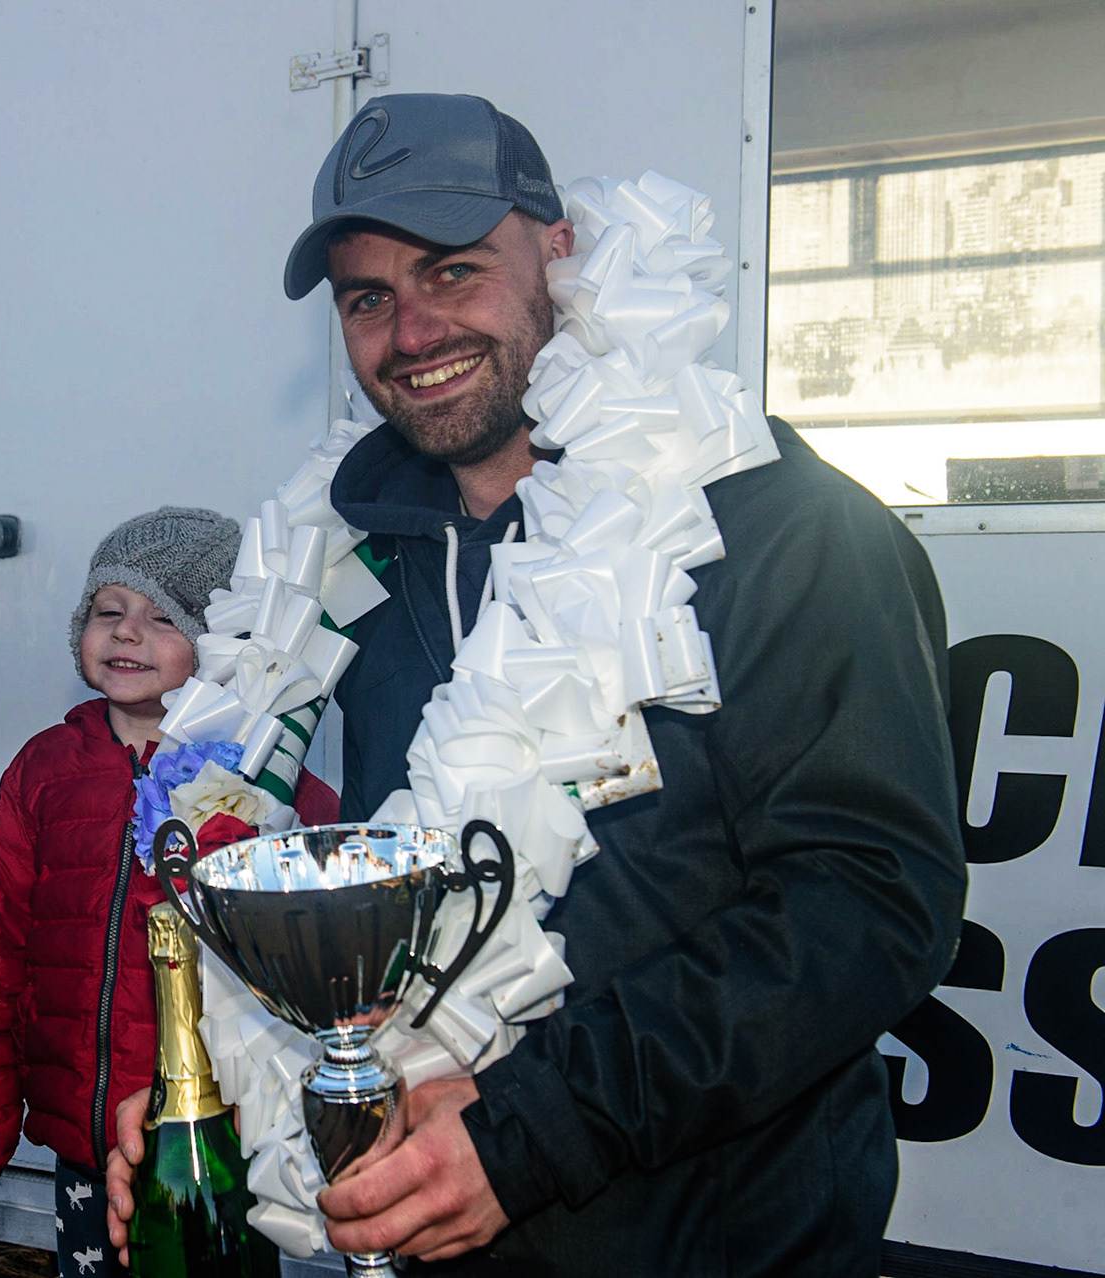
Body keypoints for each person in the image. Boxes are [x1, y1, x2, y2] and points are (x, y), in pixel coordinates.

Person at [105, 94, 965, 1275]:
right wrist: (209, 1083)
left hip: (724, 1239)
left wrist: (535, 1136)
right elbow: (348, 901)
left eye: (452, 271)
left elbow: (870, 907)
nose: (410, 332)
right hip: (432, 1239)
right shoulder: (350, 558)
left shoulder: (786, 531)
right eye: (368, 298)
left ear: (557, 251)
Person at [0, 507, 338, 1277]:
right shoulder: (45, 769)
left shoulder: (266, 787)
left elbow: (310, 972)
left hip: (218, 1143)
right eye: (108, 612)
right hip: (85, 1147)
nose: (125, 634)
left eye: (164, 618)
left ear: (220, 646)